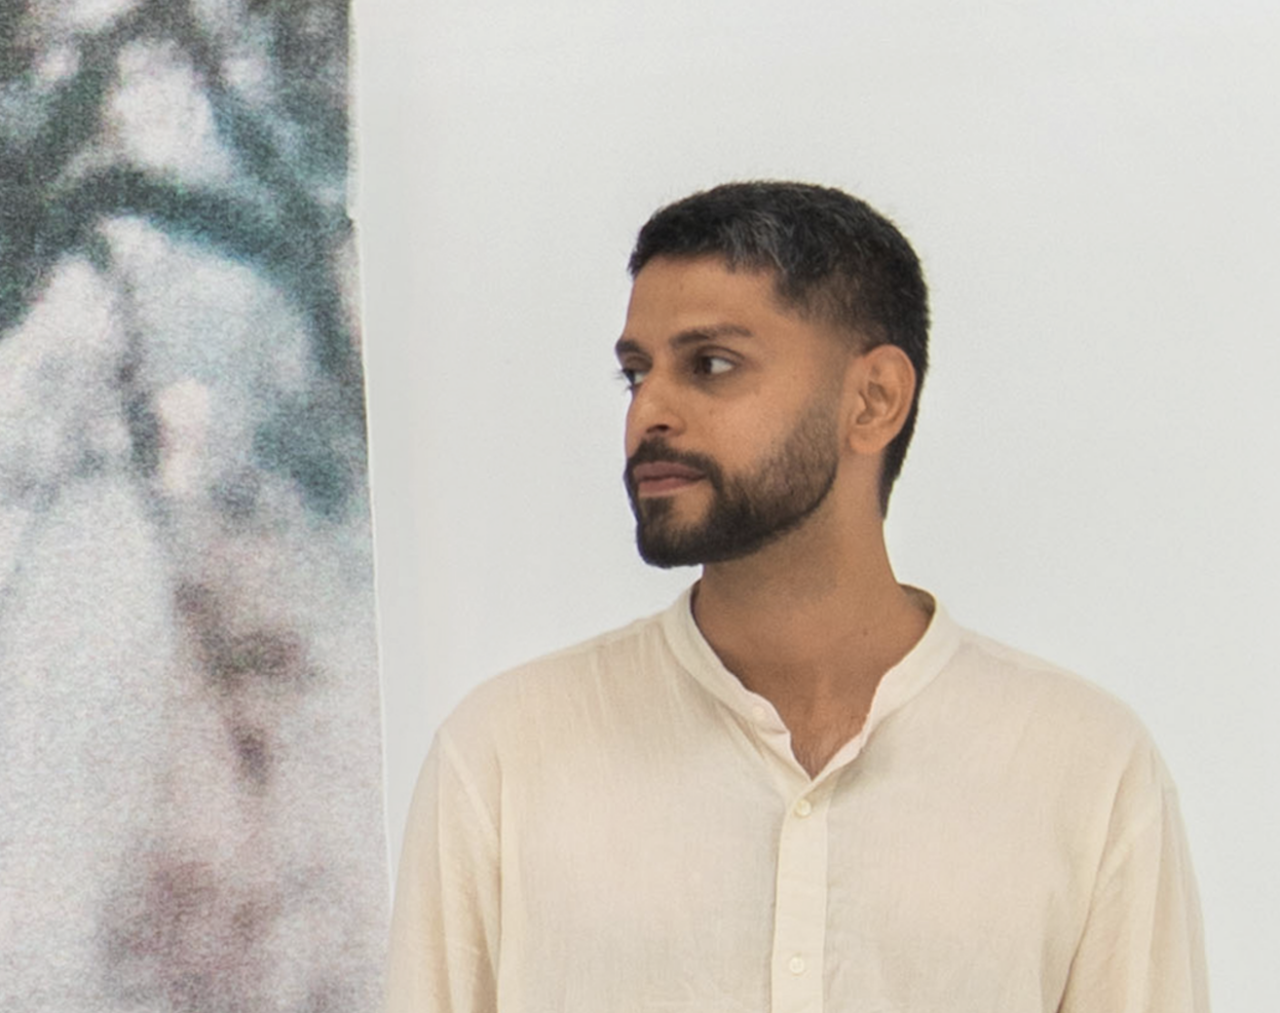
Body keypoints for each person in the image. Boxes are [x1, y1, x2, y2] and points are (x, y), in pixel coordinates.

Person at [385, 181, 1209, 1012]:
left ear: (873, 400)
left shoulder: (1082, 769)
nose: (649, 414)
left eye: (711, 364)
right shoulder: (507, 758)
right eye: (635, 374)